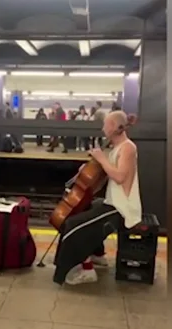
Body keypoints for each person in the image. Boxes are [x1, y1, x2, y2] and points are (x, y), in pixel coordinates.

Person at [53, 111, 141, 285]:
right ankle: (97, 255)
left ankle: (87, 271)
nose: (102, 128)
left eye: (106, 125)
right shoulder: (117, 148)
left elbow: (120, 177)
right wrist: (87, 172)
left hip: (122, 208)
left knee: (73, 225)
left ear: (116, 127)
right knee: (80, 212)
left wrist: (101, 158)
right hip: (111, 202)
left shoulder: (128, 147)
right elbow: (105, 179)